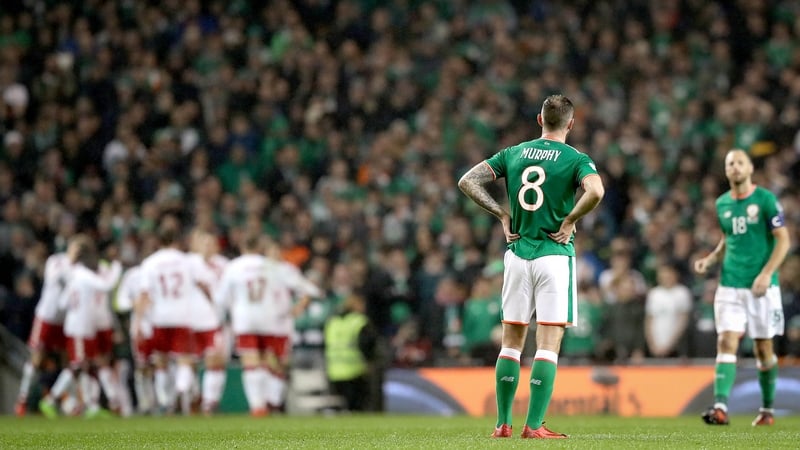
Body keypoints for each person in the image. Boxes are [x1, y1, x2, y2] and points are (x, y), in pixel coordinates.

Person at [458, 94, 604, 439]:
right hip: (554, 254)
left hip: (517, 254)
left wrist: (500, 213)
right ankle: (534, 425)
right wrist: (570, 219)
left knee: (511, 342)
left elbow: (467, 181)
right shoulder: (576, 159)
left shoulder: (513, 153)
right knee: (548, 341)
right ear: (571, 123)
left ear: (540, 120)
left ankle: (502, 424)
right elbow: (596, 192)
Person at [694, 149, 790, 426]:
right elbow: (728, 239)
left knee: (763, 348)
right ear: (726, 171)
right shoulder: (722, 203)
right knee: (726, 340)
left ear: (750, 168)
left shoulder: (765, 200)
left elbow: (783, 240)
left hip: (761, 286)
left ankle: (767, 410)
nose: (735, 167)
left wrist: (767, 274)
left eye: (739, 162)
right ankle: (720, 407)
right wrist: (711, 259)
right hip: (730, 284)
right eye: (730, 163)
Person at [15, 235, 87, 416]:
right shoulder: (56, 261)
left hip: (66, 321)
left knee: (69, 361)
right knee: (37, 358)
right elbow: (56, 280)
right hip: (46, 317)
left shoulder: (81, 268)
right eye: (76, 248)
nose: (78, 252)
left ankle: (68, 402)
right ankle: (23, 399)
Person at [323, 293, 379, 412]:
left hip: (334, 371)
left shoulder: (332, 322)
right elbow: (367, 343)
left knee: (338, 407)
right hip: (355, 371)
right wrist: (370, 361)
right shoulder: (359, 321)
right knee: (356, 407)